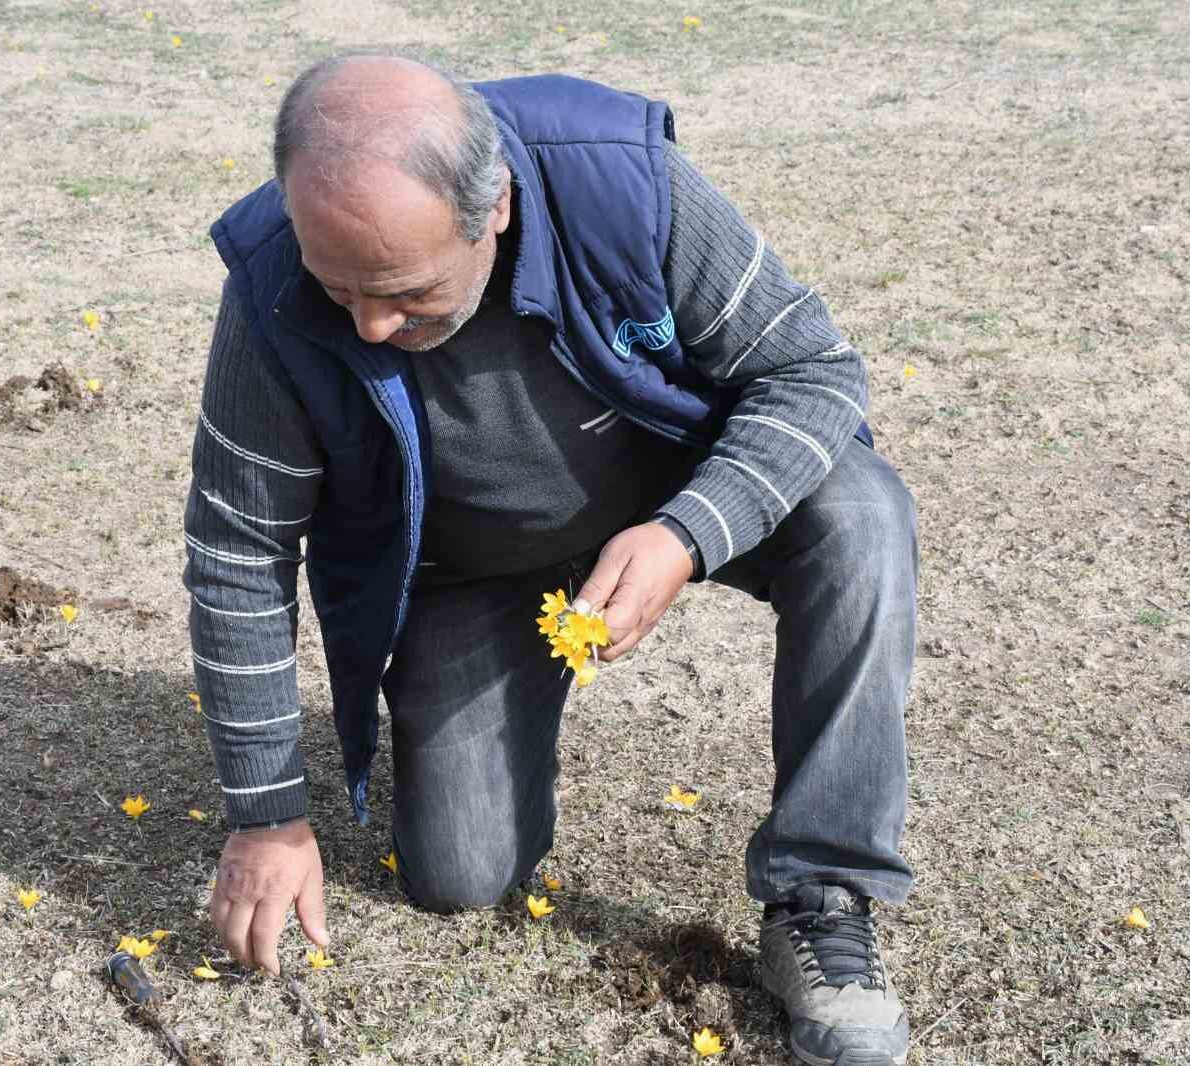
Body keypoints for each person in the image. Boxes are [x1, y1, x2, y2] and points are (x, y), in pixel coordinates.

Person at [183, 54, 918, 1064]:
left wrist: (688, 529)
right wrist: (266, 814)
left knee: (858, 507)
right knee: (456, 875)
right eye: (338, 288)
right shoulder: (271, 281)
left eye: (406, 295)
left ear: (494, 207)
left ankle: (823, 891)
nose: (369, 327)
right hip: (468, 567)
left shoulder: (616, 179)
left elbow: (810, 371)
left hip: (669, 488)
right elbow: (237, 550)